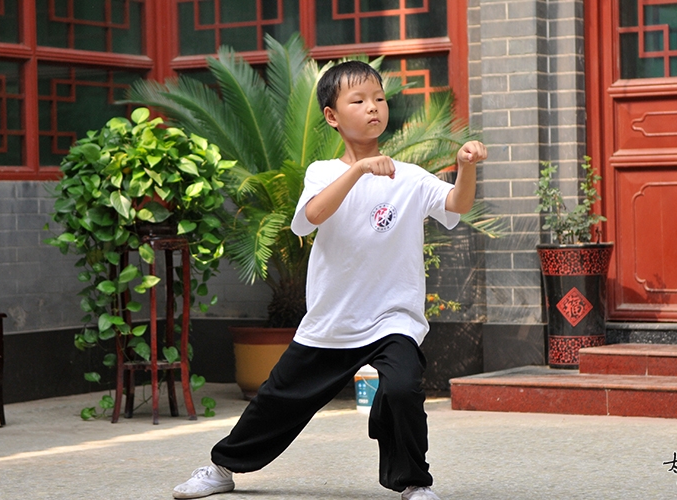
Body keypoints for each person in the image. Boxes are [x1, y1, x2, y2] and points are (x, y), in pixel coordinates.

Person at [172, 60, 487, 500]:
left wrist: (465, 166)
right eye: (358, 101)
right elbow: (312, 218)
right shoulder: (321, 172)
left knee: (401, 389)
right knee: (280, 399)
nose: (373, 108)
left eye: (379, 99)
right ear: (332, 117)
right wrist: (356, 171)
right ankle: (222, 467)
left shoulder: (410, 178)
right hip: (333, 320)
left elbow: (457, 203)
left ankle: (413, 484)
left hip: (393, 318)